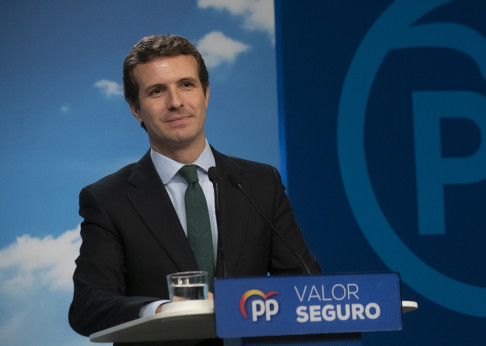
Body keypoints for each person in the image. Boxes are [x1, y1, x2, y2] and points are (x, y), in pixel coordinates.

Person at [68, 35, 321, 346]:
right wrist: (161, 310)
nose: (176, 102)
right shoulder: (108, 200)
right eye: (157, 91)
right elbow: (88, 306)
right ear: (135, 108)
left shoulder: (260, 183)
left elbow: (304, 284)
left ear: (206, 94)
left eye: (186, 85)